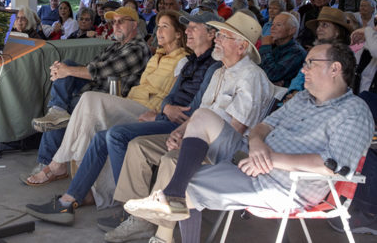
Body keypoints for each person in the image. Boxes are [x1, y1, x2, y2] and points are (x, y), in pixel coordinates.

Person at [123, 43, 374, 243]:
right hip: (251, 159)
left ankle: (172, 199)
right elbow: (262, 127)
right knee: (201, 116)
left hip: (283, 183)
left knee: (184, 182)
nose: (303, 69)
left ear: (335, 69)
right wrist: (257, 146)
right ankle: (172, 195)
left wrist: (269, 160)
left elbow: (334, 166)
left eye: (310, 64)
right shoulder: (302, 99)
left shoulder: (354, 111)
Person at [109, 12, 274, 242]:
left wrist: (188, 141)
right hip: (198, 137)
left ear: (241, 46)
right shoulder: (218, 72)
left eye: (223, 36)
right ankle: (139, 219)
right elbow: (198, 114)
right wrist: (179, 133)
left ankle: (162, 234)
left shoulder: (252, 77)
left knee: (171, 160)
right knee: (138, 146)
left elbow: (235, 131)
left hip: (224, 151)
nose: (216, 38)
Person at [24, 10, 189, 218]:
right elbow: (95, 67)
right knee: (86, 115)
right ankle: (72, 197)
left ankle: (57, 163)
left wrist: (160, 112)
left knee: (87, 100)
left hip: (145, 111)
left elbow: (175, 96)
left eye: (165, 26)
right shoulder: (156, 55)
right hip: (128, 102)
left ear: (178, 34)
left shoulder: (180, 60)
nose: (159, 30)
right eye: (158, 26)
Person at [26, 7, 151, 179]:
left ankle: (50, 163)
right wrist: (64, 69)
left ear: (134, 24)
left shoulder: (138, 48)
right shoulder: (115, 46)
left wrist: (67, 71)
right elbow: (91, 65)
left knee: (68, 102)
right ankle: (56, 110)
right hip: (93, 91)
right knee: (61, 101)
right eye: (113, 22)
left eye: (121, 21)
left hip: (111, 100)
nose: (116, 26)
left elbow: (102, 70)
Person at [259, 12, 306, 87]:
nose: (272, 28)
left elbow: (272, 75)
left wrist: (265, 47)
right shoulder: (274, 45)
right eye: (272, 24)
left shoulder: (297, 52)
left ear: (292, 30)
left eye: (278, 25)